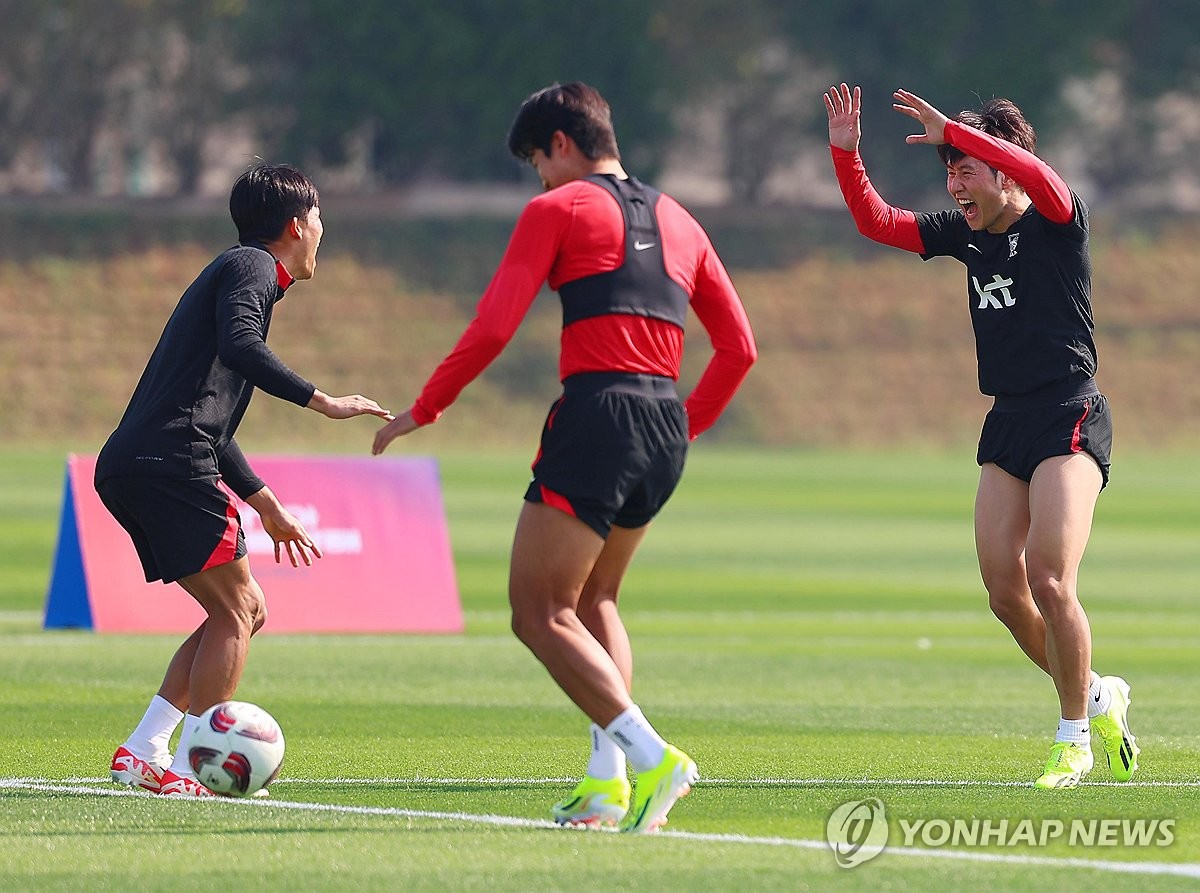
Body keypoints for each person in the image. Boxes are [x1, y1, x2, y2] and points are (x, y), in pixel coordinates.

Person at [373, 82, 756, 831]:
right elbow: (740, 349)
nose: (538, 179)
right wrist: (683, 427)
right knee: (593, 601)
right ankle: (607, 784)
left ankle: (654, 758)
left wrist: (424, 408)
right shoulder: (682, 218)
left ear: (560, 144)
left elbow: (491, 327)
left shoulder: (556, 208)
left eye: (536, 162)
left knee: (536, 611)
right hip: (662, 424)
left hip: (599, 415)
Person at [823, 83, 1139, 788]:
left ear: (1003, 168)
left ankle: (1073, 738)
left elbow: (1046, 177)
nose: (954, 182)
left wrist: (964, 134)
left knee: (1050, 577)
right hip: (1008, 420)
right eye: (949, 169)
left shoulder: (1058, 219)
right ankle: (1096, 693)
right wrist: (848, 158)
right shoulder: (964, 234)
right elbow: (878, 222)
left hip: (1070, 413)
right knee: (1004, 593)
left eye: (965, 166)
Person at [97, 163, 392, 798]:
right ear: (294, 225)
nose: (322, 231)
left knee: (238, 610)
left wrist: (265, 504)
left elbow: (214, 421)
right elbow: (239, 348)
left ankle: (147, 747)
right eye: (317, 219)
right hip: (168, 462)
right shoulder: (252, 267)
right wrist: (324, 400)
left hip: (142, 462)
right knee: (241, 607)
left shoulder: (240, 273)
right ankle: (189, 770)